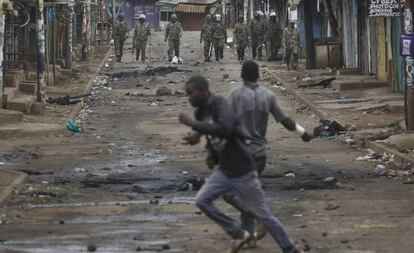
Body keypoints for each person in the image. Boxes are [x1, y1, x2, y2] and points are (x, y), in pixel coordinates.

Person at [179, 75, 305, 253]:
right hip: (224, 171)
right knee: (202, 200)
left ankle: (290, 248)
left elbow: (225, 129)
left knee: (264, 215)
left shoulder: (221, 104)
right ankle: (239, 233)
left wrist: (194, 125)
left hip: (243, 170)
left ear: (203, 91)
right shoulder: (200, 112)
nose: (188, 97)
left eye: (191, 93)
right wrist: (209, 152)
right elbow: (211, 136)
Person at [223, 60, 313, 248]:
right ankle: (250, 237)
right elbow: (285, 120)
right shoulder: (268, 96)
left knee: (232, 193)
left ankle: (257, 220)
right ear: (258, 76)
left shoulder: (235, 96)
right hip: (259, 154)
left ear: (242, 76)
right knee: (248, 192)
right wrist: (303, 132)